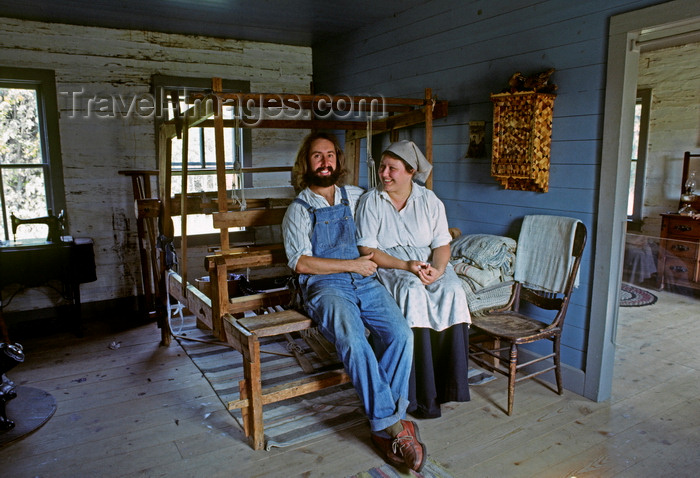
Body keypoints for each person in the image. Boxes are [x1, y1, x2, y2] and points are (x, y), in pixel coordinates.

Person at [281, 132, 427, 472]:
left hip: (364, 280)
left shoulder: (356, 195)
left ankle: (382, 423)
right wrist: (353, 265)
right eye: (317, 156)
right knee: (354, 340)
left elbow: (393, 197)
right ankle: (394, 426)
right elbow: (300, 263)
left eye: (329, 155)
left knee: (401, 334)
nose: (325, 162)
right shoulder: (298, 209)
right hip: (326, 286)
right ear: (306, 163)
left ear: (338, 160)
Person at [356, 140, 472, 418]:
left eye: (392, 168)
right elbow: (367, 249)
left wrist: (439, 270)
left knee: (454, 290)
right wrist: (405, 265)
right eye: (382, 167)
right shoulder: (372, 201)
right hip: (390, 263)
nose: (384, 173)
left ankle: (448, 388)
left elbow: (442, 244)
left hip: (426, 261)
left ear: (410, 171)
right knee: (412, 291)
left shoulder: (429, 200)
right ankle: (417, 395)